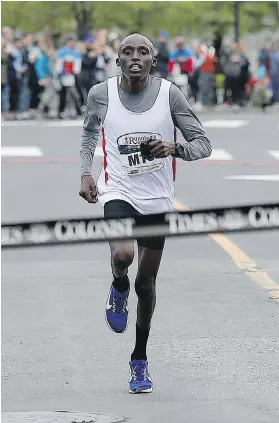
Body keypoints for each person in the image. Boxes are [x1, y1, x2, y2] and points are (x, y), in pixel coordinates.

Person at [79, 33, 212, 394]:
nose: (134, 57)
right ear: (118, 59)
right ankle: (117, 283)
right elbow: (90, 134)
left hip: (157, 199)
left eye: (143, 52)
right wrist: (85, 173)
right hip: (117, 190)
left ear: (153, 60)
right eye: (127, 52)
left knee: (147, 284)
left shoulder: (170, 94)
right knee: (122, 253)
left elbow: (203, 144)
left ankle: (139, 358)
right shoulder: (101, 93)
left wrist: (173, 148)